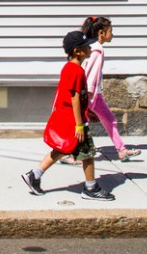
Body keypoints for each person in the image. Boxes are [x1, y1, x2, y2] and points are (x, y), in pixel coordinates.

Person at [21, 30, 116, 201]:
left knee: (61, 149)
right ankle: (91, 188)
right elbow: (74, 97)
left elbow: (78, 97)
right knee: (87, 153)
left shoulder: (72, 68)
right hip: (75, 120)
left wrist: (90, 111)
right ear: (77, 51)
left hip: (73, 117)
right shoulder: (75, 70)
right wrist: (80, 124)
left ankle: (34, 175)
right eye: (86, 46)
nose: (90, 49)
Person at [81, 15, 140, 161]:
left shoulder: (92, 47)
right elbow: (90, 76)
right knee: (81, 125)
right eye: (110, 31)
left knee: (110, 119)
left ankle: (122, 150)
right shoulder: (97, 50)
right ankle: (71, 154)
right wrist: (89, 102)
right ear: (101, 32)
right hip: (90, 95)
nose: (112, 34)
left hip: (95, 94)